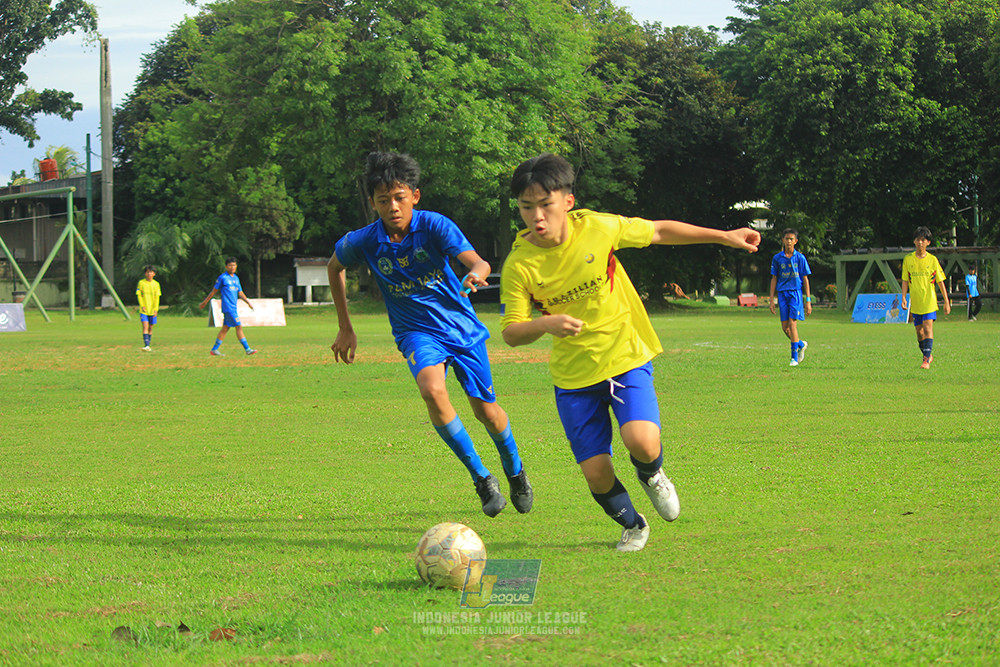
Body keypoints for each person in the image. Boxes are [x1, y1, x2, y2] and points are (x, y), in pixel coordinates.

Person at [499, 153, 760, 552]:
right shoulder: (520, 265)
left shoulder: (599, 228)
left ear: (567, 201)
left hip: (625, 355)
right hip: (573, 378)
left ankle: (652, 474)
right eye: (526, 207)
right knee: (596, 474)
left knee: (642, 442)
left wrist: (723, 235)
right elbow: (512, 333)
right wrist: (545, 324)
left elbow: (657, 232)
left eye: (545, 205)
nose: (537, 216)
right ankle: (634, 525)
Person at [327, 151, 532, 518]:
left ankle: (515, 470)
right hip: (416, 333)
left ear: (414, 197)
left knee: (486, 412)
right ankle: (482, 478)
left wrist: (477, 272)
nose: (392, 206)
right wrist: (345, 326)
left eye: (399, 197)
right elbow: (334, 266)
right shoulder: (365, 241)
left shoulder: (435, 225)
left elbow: (477, 261)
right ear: (372, 203)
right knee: (431, 389)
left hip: (461, 329)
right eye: (383, 199)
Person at [900, 226, 950, 369]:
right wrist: (903, 297)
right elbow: (905, 280)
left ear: (928, 242)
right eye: (918, 240)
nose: (920, 243)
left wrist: (946, 301)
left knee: (928, 328)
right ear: (914, 242)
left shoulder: (933, 260)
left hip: (929, 301)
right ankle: (927, 354)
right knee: (919, 332)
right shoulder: (908, 259)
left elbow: (940, 282)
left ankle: (926, 360)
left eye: (923, 240)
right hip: (915, 302)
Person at [768, 228, 812, 366]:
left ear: (796, 241)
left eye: (791, 239)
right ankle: (800, 344)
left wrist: (808, 300)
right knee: (785, 328)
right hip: (782, 294)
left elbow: (805, 279)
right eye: (786, 239)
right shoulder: (777, 258)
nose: (789, 241)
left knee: (793, 324)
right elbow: (774, 278)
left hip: (795, 293)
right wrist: (771, 300)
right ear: (783, 240)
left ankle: (794, 358)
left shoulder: (800, 258)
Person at [199, 257, 257, 356]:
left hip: (233, 307)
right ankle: (247, 349)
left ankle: (214, 349)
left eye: (234, 265)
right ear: (226, 266)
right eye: (230, 265)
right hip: (228, 307)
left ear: (236, 266)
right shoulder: (222, 278)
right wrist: (205, 302)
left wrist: (247, 302)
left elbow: (240, 292)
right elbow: (214, 291)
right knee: (238, 326)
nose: (232, 267)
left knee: (225, 328)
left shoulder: (236, 278)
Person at [136, 265, 162, 351]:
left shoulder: (156, 284)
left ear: (154, 273)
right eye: (147, 272)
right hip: (144, 310)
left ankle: (148, 344)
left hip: (152, 310)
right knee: (145, 326)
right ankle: (146, 345)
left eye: (151, 272)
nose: (149, 274)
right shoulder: (141, 283)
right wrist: (142, 305)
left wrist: (156, 309)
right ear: (145, 273)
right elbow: (139, 295)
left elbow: (157, 298)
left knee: (150, 328)